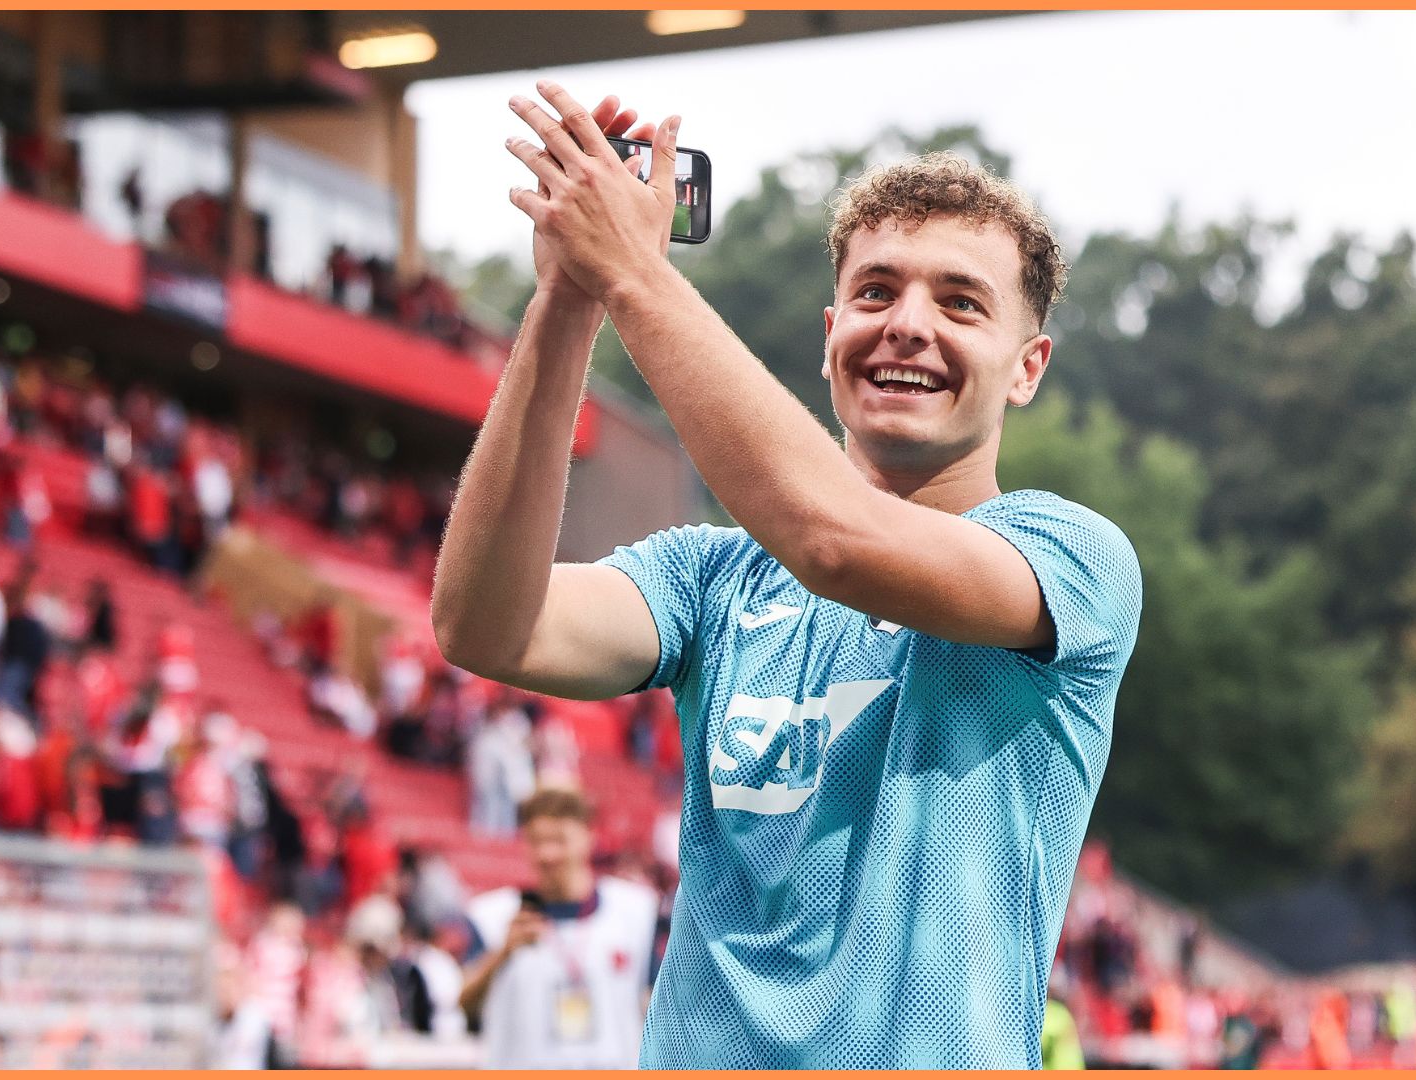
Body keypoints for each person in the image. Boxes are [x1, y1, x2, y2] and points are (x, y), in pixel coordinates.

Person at [431, 86, 1141, 1069]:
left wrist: (637, 273)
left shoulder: (1072, 559)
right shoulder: (709, 577)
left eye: (962, 302)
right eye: (876, 292)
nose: (908, 324)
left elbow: (837, 543)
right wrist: (568, 299)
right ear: (829, 334)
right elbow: (486, 627)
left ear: (1027, 368)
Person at [457, 788, 658, 1069]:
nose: (547, 853)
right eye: (536, 841)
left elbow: (661, 1002)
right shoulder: (493, 915)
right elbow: (462, 1003)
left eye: (559, 840)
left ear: (589, 837)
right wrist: (502, 953)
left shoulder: (635, 912)